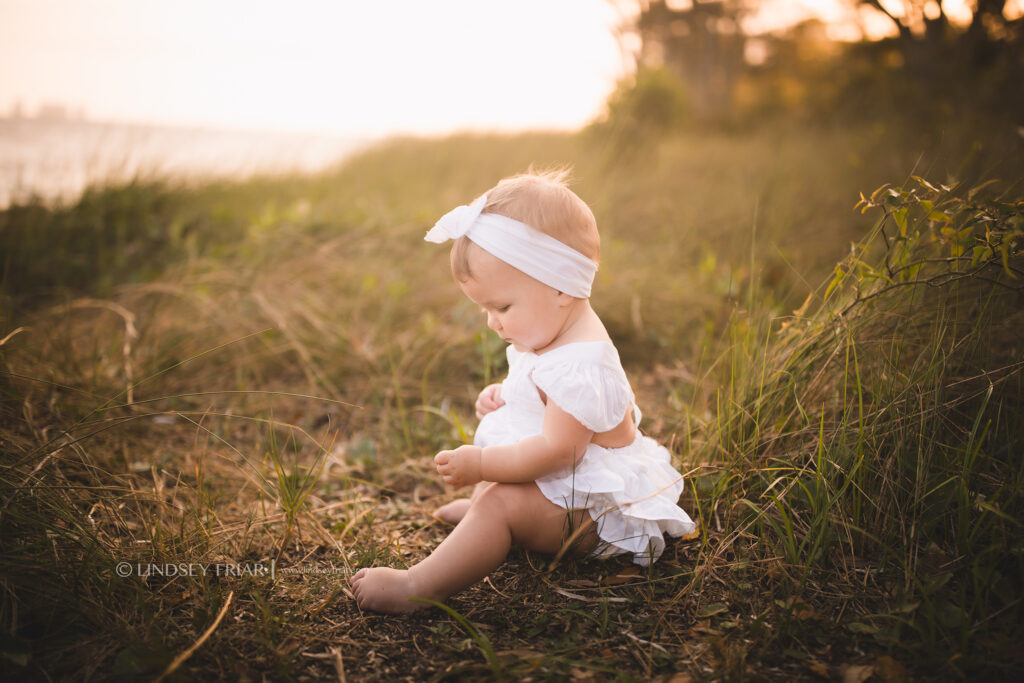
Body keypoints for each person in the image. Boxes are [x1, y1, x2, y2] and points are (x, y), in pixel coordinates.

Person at [350, 170, 696, 614]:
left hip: (595, 515)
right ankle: (477, 518)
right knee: (505, 458)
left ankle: (419, 587)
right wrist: (506, 395)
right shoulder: (554, 332)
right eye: (485, 309)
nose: (492, 322)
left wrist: (481, 465)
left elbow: (556, 454)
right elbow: (541, 402)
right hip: (574, 486)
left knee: (501, 503)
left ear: (559, 287)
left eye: (502, 307)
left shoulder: (579, 364)